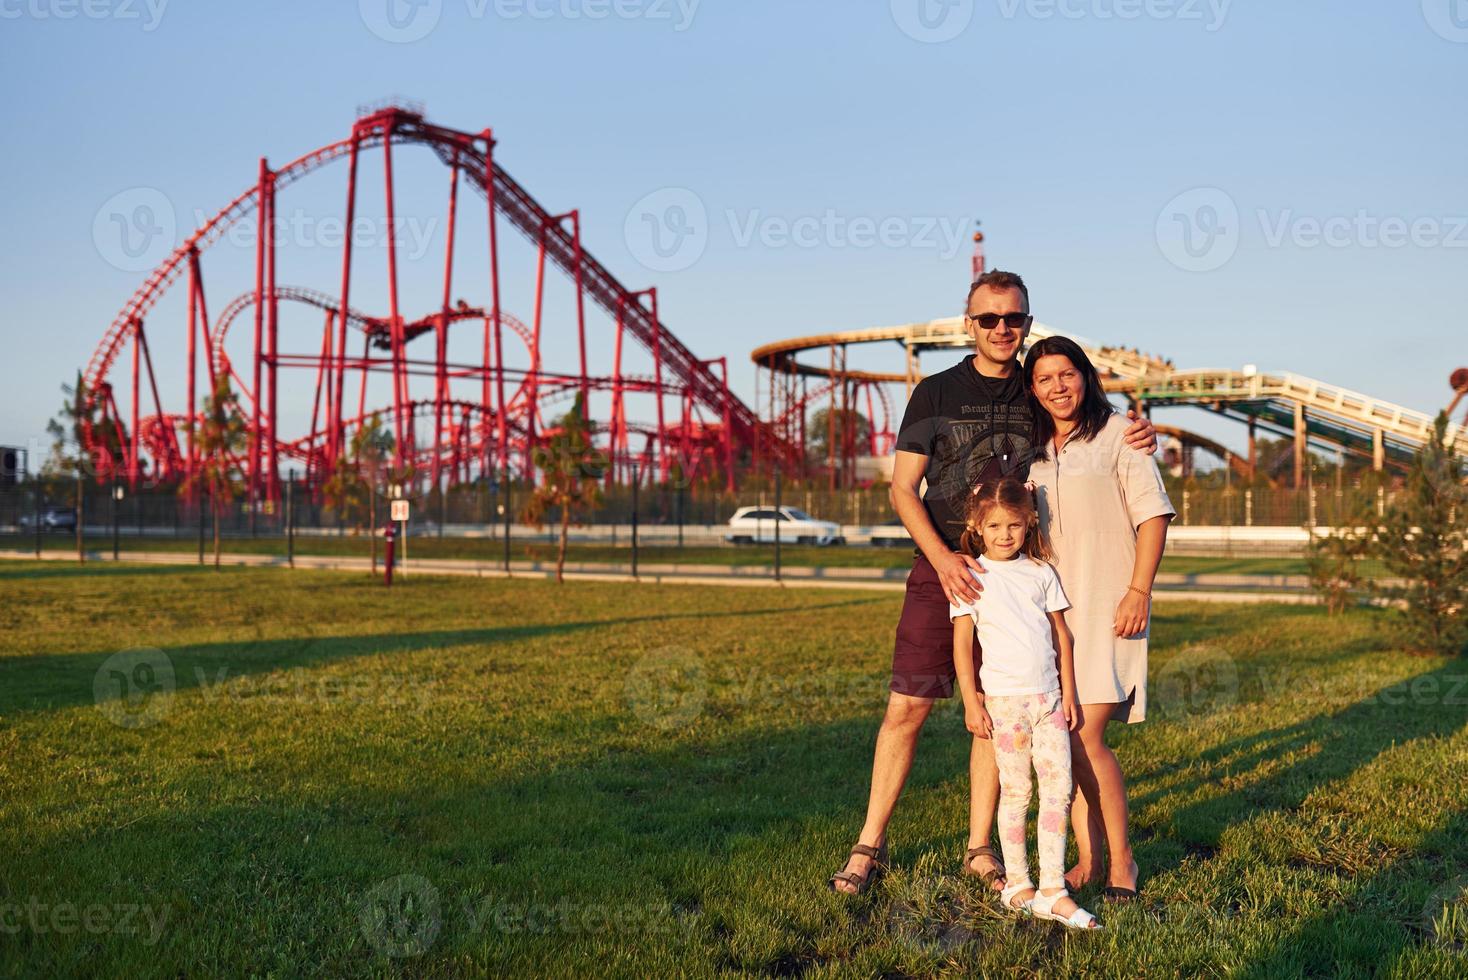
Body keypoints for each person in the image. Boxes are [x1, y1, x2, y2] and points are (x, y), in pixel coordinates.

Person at [828, 271, 1157, 895]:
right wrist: (946, 561)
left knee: (998, 706)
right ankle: (870, 843)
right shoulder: (934, 392)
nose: (1001, 329)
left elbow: (1086, 424)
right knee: (908, 706)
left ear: (1027, 324)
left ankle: (980, 846)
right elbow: (902, 489)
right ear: (968, 324)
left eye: (1013, 319)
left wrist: (1140, 432)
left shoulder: (1037, 396)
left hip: (1019, 581)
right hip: (945, 569)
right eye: (989, 319)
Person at [1023, 335, 1175, 901]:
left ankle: (1123, 862)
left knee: (1086, 734)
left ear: (1084, 377)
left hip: (1112, 606)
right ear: (1032, 390)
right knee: (1066, 735)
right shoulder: (1032, 450)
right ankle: (1088, 861)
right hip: (1054, 618)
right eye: (1044, 379)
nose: (1057, 387)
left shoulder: (1120, 436)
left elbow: (1153, 517)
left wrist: (1140, 590)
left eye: (1067, 374)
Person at [949, 477, 1100, 929]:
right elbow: (961, 647)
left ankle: (1053, 889)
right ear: (977, 526)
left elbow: (1063, 637)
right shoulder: (971, 577)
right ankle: (1018, 885)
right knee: (1017, 791)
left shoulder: (1041, 573)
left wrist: (1068, 693)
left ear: (1028, 521)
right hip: (1004, 703)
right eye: (993, 525)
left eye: (1013, 525)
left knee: (1059, 788)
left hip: (1049, 700)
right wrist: (971, 704)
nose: (1004, 535)